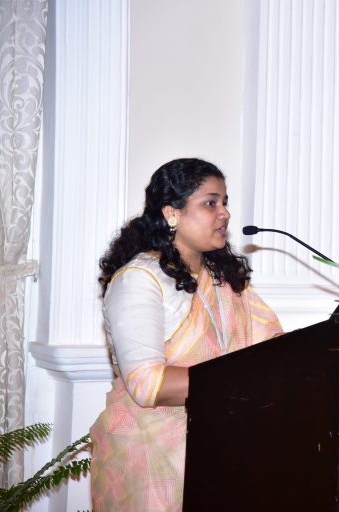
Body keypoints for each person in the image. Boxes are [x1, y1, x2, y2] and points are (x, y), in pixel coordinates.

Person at [89, 158, 282, 511]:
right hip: (154, 454)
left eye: (225, 203)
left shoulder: (223, 279)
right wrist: (239, 381)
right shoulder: (140, 279)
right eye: (210, 203)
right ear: (172, 213)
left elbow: (270, 350)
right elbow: (147, 385)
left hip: (225, 438)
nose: (224, 213)